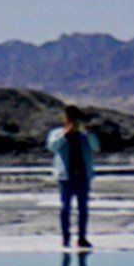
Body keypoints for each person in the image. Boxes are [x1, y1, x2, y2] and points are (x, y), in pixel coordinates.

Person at [46, 105, 98, 250]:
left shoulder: (84, 136)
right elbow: (52, 147)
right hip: (66, 176)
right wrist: (65, 135)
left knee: (83, 208)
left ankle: (82, 237)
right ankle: (65, 237)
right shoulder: (56, 133)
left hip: (82, 175)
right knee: (65, 207)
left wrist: (89, 133)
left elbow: (96, 147)